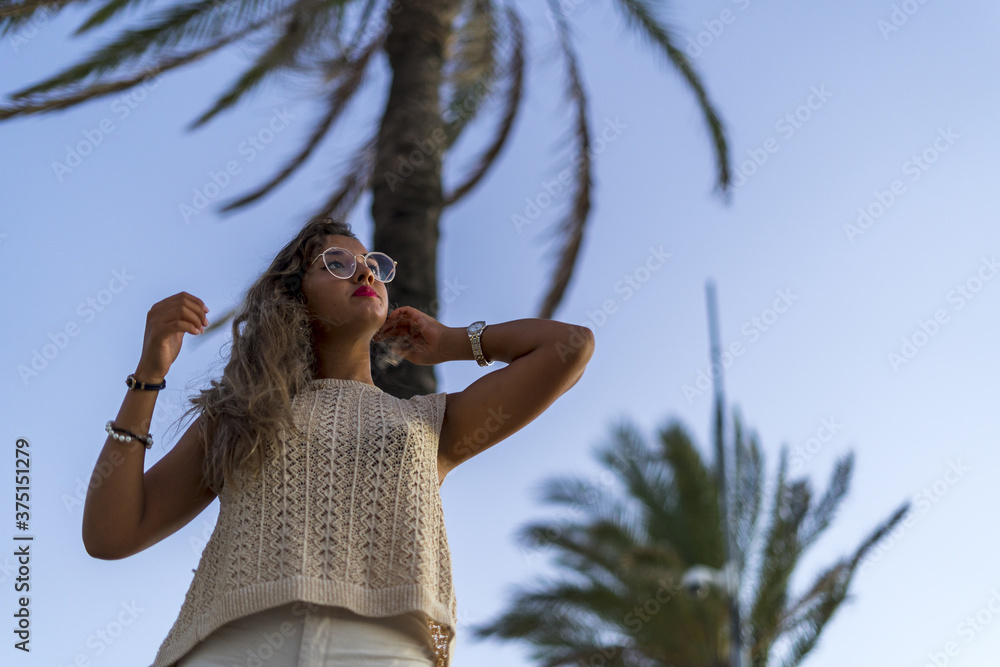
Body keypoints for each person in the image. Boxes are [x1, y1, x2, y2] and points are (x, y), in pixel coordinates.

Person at [81, 216, 595, 667]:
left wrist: (453, 343)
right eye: (337, 263)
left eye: (372, 264)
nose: (366, 272)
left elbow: (569, 346)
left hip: (386, 651)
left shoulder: (432, 424)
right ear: (293, 294)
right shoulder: (242, 415)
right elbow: (112, 535)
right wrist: (148, 375)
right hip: (232, 645)